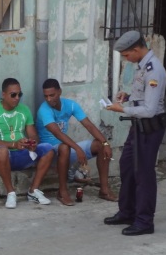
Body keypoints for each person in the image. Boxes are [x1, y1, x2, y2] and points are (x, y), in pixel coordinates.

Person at [104, 31, 166, 236]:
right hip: (138, 127)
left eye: (126, 55)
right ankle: (127, 211)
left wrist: (121, 109)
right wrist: (128, 96)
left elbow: (149, 110)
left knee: (144, 174)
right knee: (127, 166)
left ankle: (144, 221)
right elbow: (144, 97)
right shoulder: (142, 66)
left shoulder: (154, 70)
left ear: (137, 49)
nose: (125, 59)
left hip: (150, 128)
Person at [36, 78, 117, 206]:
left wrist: (105, 143)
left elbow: (89, 125)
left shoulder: (70, 105)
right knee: (64, 147)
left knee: (99, 145)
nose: (49, 99)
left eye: (52, 95)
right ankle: (62, 192)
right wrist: (77, 149)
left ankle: (104, 190)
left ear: (60, 92)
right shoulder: (44, 110)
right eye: (46, 96)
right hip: (49, 153)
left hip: (66, 149)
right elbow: (57, 133)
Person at [0, 78, 55, 209]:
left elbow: (33, 134)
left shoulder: (24, 110)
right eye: (13, 95)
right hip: (0, 157)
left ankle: (33, 191)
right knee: (1, 151)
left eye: (19, 94)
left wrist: (32, 142)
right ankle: (11, 193)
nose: (17, 98)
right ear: (3, 95)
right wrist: (14, 144)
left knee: (48, 149)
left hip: (21, 153)